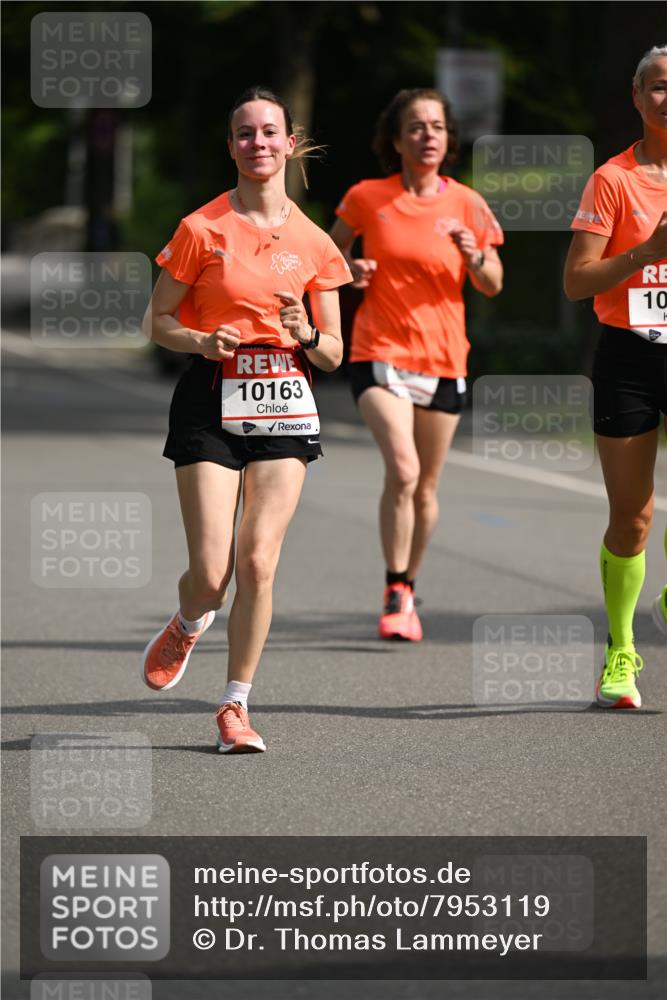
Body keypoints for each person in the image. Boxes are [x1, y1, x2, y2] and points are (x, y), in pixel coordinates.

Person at [141, 86, 351, 752]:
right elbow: (158, 322)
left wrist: (305, 331)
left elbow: (336, 352)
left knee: (258, 560)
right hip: (210, 395)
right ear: (230, 145)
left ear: (289, 144)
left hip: (286, 397)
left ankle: (235, 706)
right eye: (243, 134)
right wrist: (200, 341)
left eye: (269, 133)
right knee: (213, 572)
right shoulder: (200, 228)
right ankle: (187, 618)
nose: (257, 144)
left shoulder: (315, 241)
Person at [330, 88, 503, 640]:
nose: (427, 135)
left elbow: (493, 283)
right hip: (378, 351)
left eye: (437, 126)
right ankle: (395, 586)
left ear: (448, 139)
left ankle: (407, 586)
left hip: (445, 358)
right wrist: (348, 273)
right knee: (402, 470)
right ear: (397, 140)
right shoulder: (366, 197)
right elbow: (326, 259)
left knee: (426, 488)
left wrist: (473, 253)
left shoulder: (468, 205)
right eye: (416, 127)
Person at [564, 45, 667, 709]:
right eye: (657, 87)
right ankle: (622, 648)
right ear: (636, 98)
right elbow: (576, 281)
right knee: (632, 518)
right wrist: (647, 253)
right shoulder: (612, 180)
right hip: (630, 353)